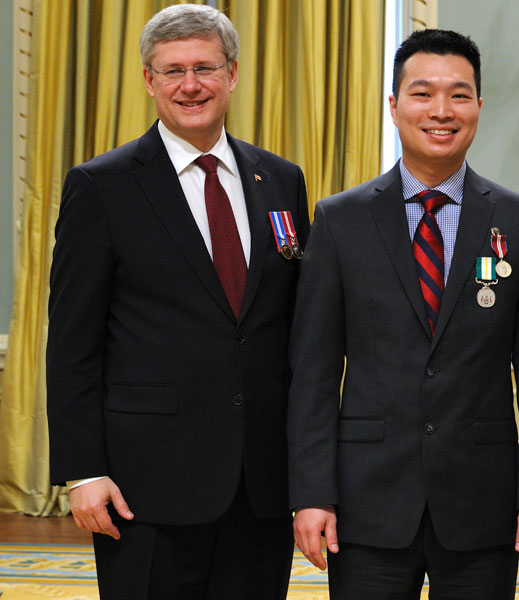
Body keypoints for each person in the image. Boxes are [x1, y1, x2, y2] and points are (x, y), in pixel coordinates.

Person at [287, 28, 519, 600]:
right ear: (393, 106)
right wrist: (312, 492)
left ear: (480, 108)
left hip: (482, 504)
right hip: (366, 503)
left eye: (459, 95)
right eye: (422, 93)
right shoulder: (339, 222)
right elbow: (312, 372)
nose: (442, 111)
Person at [46, 4, 308, 598]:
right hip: (148, 488)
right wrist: (84, 470)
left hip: (262, 485)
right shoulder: (102, 185)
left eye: (205, 68)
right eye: (172, 71)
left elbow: (291, 330)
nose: (191, 85)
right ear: (148, 80)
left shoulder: (281, 180)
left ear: (233, 74)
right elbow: (72, 343)